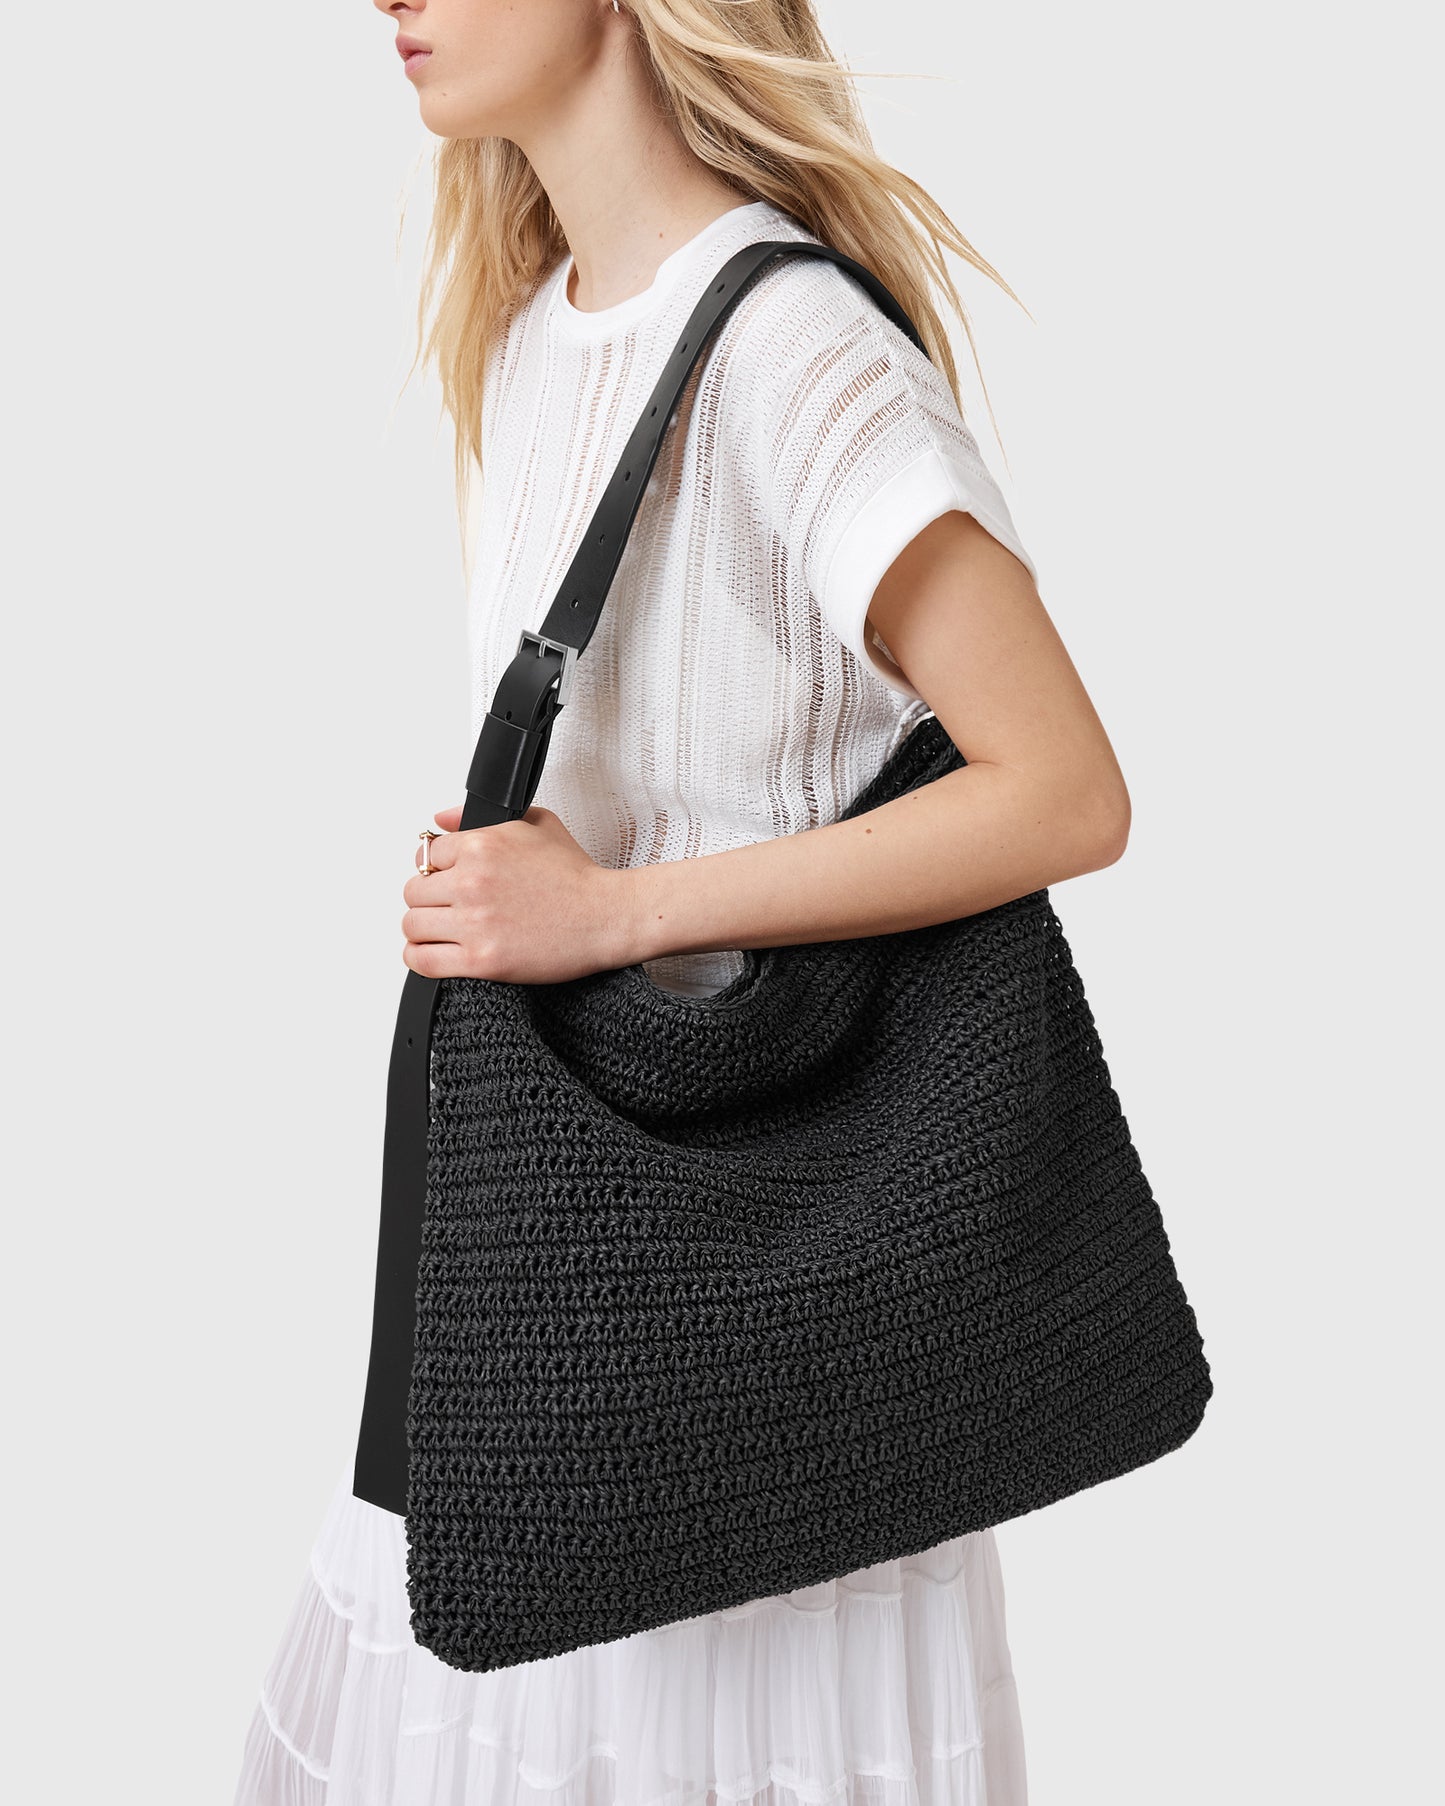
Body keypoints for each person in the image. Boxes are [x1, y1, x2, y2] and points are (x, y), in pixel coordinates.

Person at [233, 1, 1132, 1798]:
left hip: (743, 1338)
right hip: (562, 1295)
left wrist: (611, 916)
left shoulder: (794, 353)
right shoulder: (532, 334)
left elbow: (1063, 790)